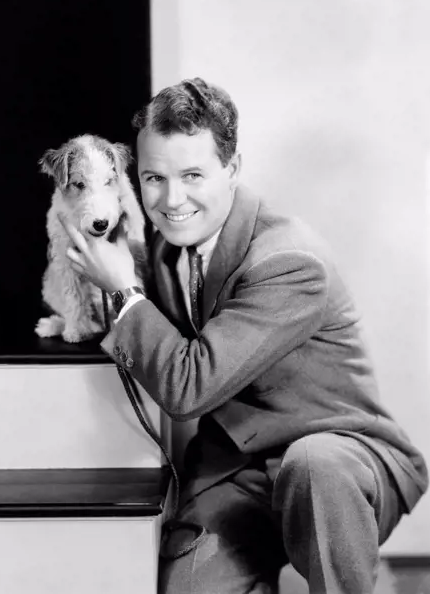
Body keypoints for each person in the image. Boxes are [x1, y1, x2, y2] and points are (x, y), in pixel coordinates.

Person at [60, 77, 428, 594]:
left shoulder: (288, 261)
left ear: (232, 170)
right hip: (237, 472)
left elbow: (190, 385)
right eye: (154, 178)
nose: (171, 199)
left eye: (192, 175)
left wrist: (123, 289)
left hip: (337, 465)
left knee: (313, 465)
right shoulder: (167, 249)